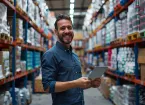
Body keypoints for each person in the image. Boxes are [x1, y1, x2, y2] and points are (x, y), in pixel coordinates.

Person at [41, 14, 101, 105]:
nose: (67, 31)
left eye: (69, 27)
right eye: (62, 28)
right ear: (56, 32)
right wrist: (76, 83)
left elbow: (76, 85)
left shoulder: (75, 56)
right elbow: (47, 86)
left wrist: (91, 84)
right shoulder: (50, 55)